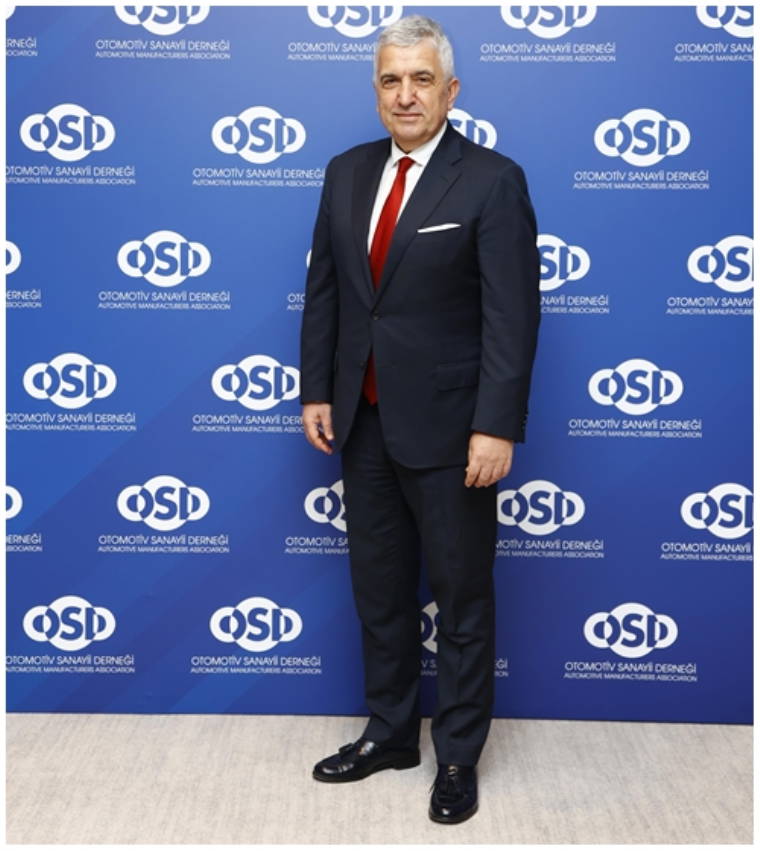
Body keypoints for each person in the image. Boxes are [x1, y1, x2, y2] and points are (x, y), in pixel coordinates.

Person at [299, 14, 540, 825]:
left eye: (421, 79)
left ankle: (459, 754)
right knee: (379, 590)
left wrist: (496, 425)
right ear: (377, 90)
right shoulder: (345, 172)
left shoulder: (492, 180)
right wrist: (316, 389)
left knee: (462, 597)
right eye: (391, 80)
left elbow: (512, 316)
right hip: (361, 422)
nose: (406, 95)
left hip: (452, 429)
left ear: (451, 90)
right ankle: (392, 732)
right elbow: (328, 293)